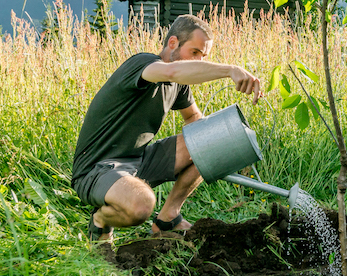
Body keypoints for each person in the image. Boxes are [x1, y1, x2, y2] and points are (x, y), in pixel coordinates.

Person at [71, 14, 262, 242]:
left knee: (210, 140)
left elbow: (193, 118)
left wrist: (215, 152)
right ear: (173, 43)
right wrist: (230, 70)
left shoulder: (179, 85)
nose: (199, 62)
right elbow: (171, 72)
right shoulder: (143, 65)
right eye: (194, 53)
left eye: (204, 56)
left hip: (139, 160)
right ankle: (100, 221)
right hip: (98, 169)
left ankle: (167, 219)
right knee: (142, 205)